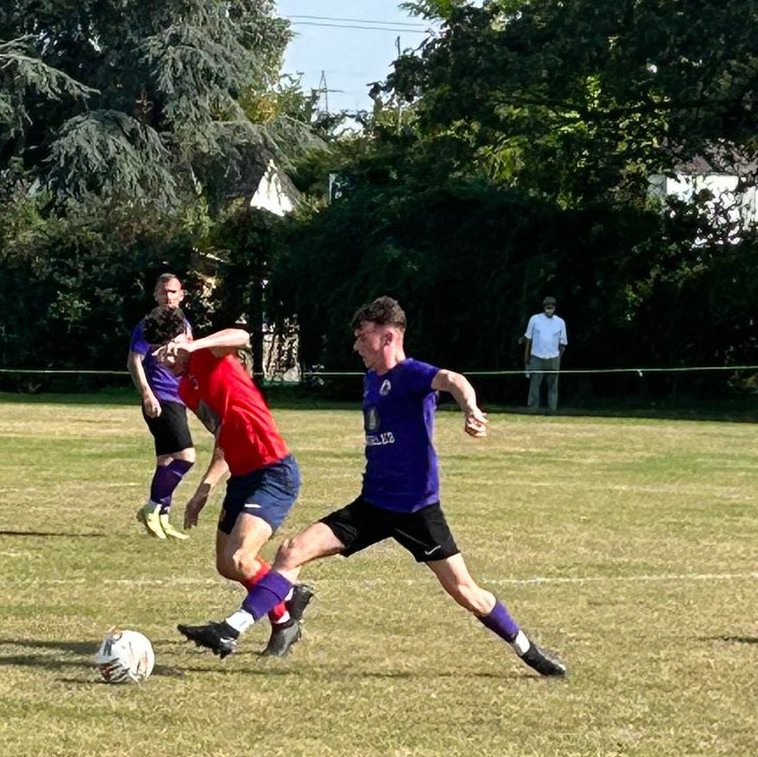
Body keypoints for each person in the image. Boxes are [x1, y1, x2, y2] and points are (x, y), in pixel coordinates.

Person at [180, 296, 566, 677]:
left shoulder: (411, 374)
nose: (356, 345)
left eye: (362, 336)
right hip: (371, 506)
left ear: (387, 336)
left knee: (467, 592)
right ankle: (231, 630)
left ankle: (529, 651)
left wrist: (471, 409)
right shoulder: (370, 378)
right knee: (291, 551)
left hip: (416, 511)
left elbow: (452, 380)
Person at [146, 306, 313, 657]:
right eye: (159, 355)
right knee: (226, 564)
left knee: (240, 557)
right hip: (241, 475)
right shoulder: (186, 389)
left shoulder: (209, 353)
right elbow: (223, 436)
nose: (167, 359)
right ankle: (285, 595)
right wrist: (205, 487)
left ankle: (282, 621)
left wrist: (192, 346)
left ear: (182, 340)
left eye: (169, 350)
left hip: (273, 471)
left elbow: (242, 336)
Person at [127, 273, 196, 540]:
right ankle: (152, 507)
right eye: (163, 292)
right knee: (186, 457)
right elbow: (134, 360)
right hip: (161, 397)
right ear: (156, 295)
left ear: (182, 295)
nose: (168, 296)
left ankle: (162, 517)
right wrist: (147, 394)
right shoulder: (150, 325)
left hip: (178, 397)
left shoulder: (184, 323)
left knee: (166, 460)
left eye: (173, 292)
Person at [524, 296, 568, 413]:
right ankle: (532, 409)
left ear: (554, 308)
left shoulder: (560, 322)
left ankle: (552, 410)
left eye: (551, 308)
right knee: (534, 385)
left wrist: (558, 357)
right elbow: (528, 338)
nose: (549, 310)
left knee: (553, 386)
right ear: (544, 307)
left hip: (553, 358)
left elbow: (563, 343)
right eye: (548, 308)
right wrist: (526, 355)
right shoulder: (534, 319)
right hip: (537, 357)